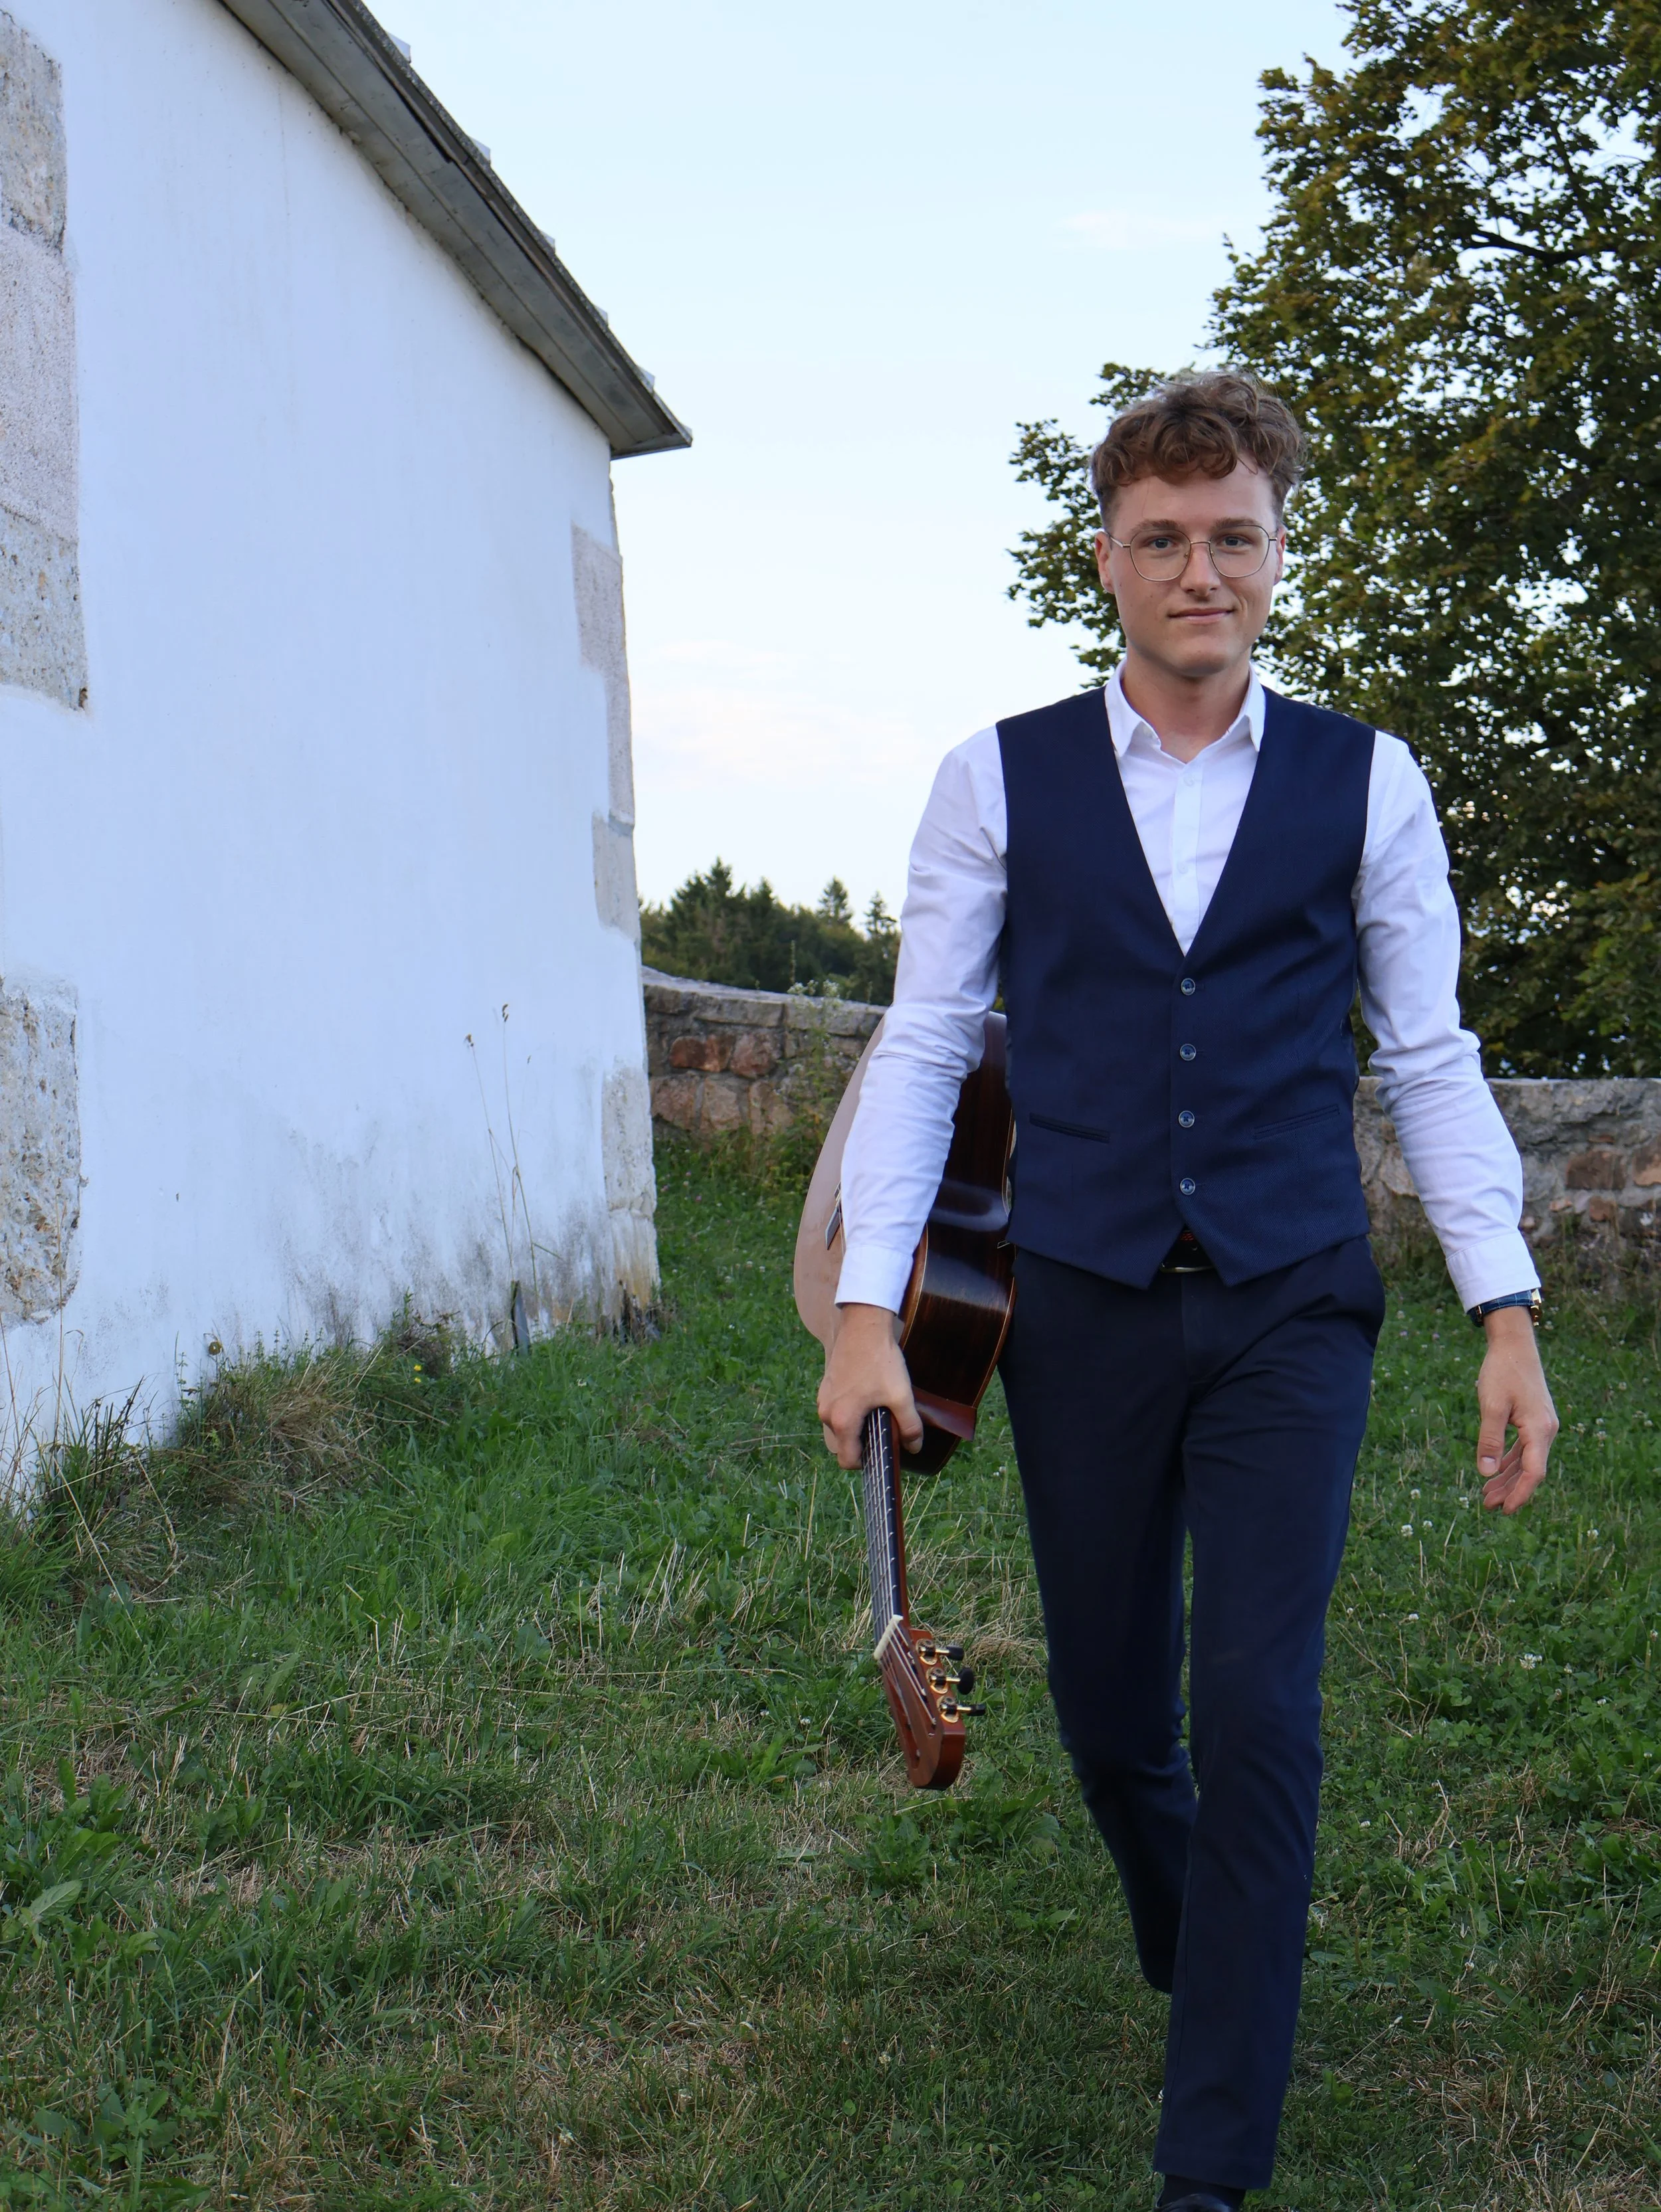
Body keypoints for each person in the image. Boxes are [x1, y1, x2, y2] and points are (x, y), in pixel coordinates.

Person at [815, 371, 1558, 2211]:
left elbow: (1432, 1055)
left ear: (1277, 551)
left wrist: (1504, 1310)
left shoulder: (1365, 780)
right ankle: (1201, 1945)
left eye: (1232, 536)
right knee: (1106, 1718)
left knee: (1259, 1714)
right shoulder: (996, 776)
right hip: (1073, 1302)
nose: (1198, 570)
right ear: (1108, 559)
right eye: (1162, 539)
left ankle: (1205, 2166)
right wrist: (860, 1309)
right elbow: (921, 1049)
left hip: (1290, 1302)